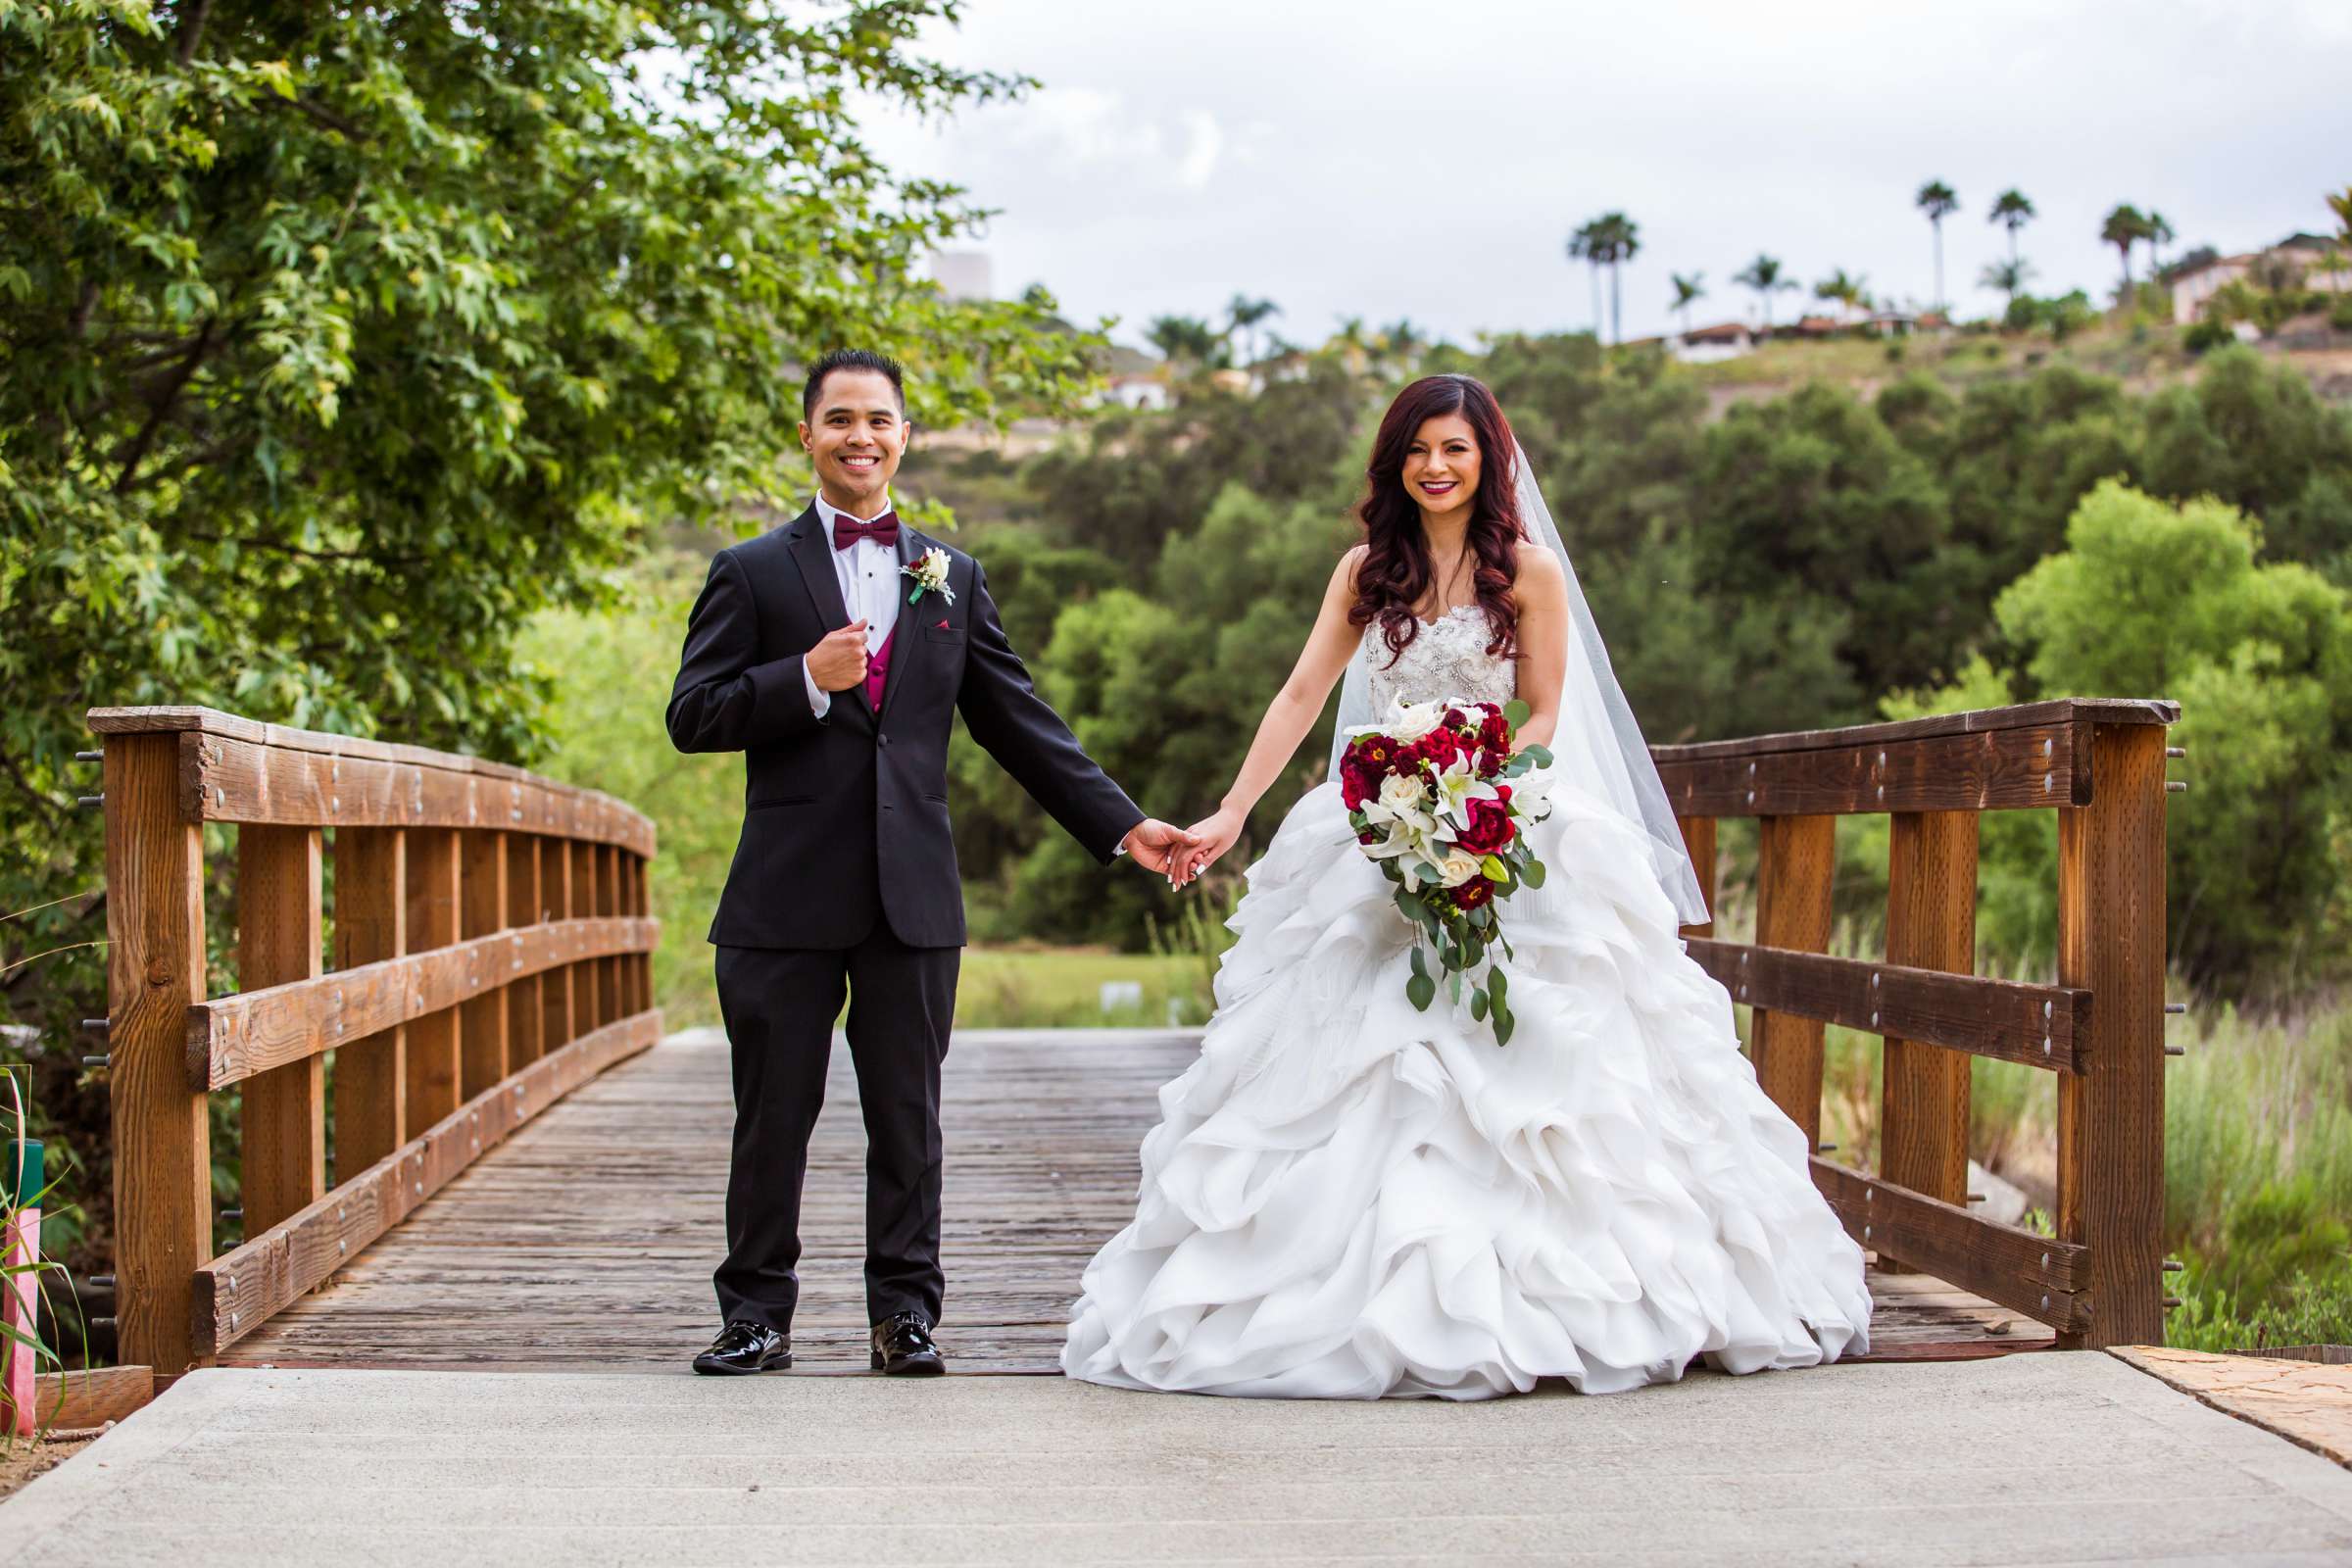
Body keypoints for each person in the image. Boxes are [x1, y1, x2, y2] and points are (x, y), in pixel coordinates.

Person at [1061, 372, 1873, 1398]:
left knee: (1543, 1049)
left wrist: (1473, 782)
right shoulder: (1366, 571)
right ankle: (1361, 1284)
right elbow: (1305, 690)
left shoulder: (1527, 572)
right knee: (1365, 1048)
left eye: (1455, 449)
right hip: (1375, 825)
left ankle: (1568, 1280)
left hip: (1505, 815)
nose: (1436, 468)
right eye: (1417, 451)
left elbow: (1541, 710)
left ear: (1488, 458)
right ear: (1394, 465)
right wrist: (1233, 808)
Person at [667, 349, 1198, 1377]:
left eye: (878, 420)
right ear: (808, 435)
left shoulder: (950, 576)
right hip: (782, 896)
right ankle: (755, 1316)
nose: (859, 437)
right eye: (839, 420)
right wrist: (803, 679)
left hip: (913, 894)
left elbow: (1020, 722)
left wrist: (1125, 825)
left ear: (904, 437)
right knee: (772, 1115)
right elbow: (694, 713)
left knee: (908, 1117)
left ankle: (904, 1314)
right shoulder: (750, 571)